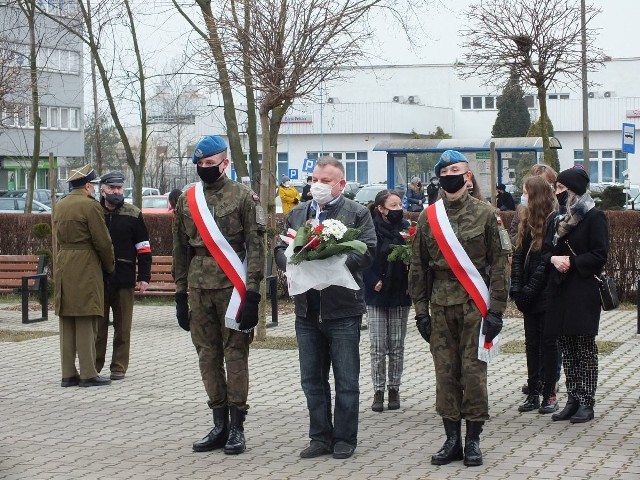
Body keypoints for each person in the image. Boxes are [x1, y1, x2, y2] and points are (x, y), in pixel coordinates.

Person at [409, 150, 510, 467]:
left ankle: (473, 441)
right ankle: (452, 439)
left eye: (458, 170)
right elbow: (417, 266)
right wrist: (421, 311)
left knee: (474, 374)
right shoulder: (429, 217)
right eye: (446, 170)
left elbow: (501, 265)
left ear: (468, 177)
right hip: (440, 305)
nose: (452, 175)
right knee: (446, 374)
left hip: (474, 306)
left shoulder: (486, 214)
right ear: (439, 177)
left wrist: (496, 310)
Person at [274, 156, 376, 460]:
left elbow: (368, 249)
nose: (317, 185)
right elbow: (281, 247)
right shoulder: (297, 213)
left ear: (341, 184)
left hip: (342, 309)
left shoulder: (357, 214)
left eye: (325, 180)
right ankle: (319, 436)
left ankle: (345, 438)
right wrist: (291, 264)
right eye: (314, 180)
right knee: (311, 379)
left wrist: (333, 265)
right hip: (306, 310)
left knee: (346, 379)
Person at [173, 135, 266, 454]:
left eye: (210, 163)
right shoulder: (188, 198)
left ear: (224, 163)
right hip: (198, 286)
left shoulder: (244, 196)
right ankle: (218, 423)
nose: (204, 168)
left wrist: (253, 293)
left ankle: (237, 426)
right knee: (207, 354)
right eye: (199, 164)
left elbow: (256, 245)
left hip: (233, 286)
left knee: (235, 353)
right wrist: (179, 293)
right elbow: (180, 249)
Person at [544, 167, 609, 424]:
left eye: (561, 189)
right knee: (567, 347)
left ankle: (587, 402)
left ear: (574, 191)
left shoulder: (595, 217)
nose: (557, 193)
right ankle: (572, 398)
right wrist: (552, 258)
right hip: (561, 290)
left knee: (584, 347)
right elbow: (547, 250)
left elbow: (599, 254)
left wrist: (571, 262)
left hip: (583, 291)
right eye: (556, 188)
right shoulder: (561, 219)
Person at [54, 165, 115, 388]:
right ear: (88, 186)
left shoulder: (60, 206)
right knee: (87, 317)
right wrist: (110, 266)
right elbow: (103, 242)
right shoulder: (90, 206)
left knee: (67, 319)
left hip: (64, 262)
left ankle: (68, 374)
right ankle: (88, 373)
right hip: (86, 263)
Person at [95, 172, 152, 381]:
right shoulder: (94, 212)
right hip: (98, 279)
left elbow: (143, 247)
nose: (117, 192)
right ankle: (94, 365)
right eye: (112, 188)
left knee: (122, 328)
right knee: (97, 328)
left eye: (119, 188)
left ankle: (118, 366)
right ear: (102, 190)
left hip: (125, 279)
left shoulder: (133, 213)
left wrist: (144, 277)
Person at [509, 175, 559, 414]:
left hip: (547, 293)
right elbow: (518, 255)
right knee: (532, 344)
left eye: (526, 192)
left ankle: (550, 392)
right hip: (528, 295)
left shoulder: (552, 221)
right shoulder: (524, 219)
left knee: (548, 344)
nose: (523, 196)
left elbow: (546, 260)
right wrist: (517, 288)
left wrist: (530, 289)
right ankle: (533, 392)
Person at [364, 190, 412, 412]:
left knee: (396, 344)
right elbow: (361, 259)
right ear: (381, 209)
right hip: (375, 293)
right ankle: (378, 390)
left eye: (400, 204)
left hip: (400, 291)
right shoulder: (369, 229)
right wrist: (372, 280)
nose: (398, 208)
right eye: (393, 205)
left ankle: (394, 388)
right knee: (377, 346)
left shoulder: (406, 227)